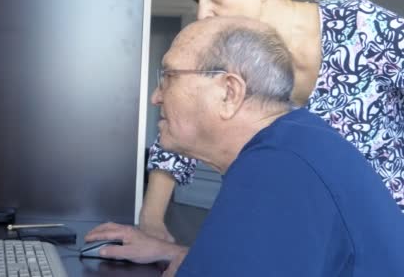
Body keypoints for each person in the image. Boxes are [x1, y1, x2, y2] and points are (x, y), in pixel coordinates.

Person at [85, 16, 404, 276]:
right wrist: (175, 253)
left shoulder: (278, 169)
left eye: (168, 76)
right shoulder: (296, 142)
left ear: (228, 93)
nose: (156, 96)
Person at [140, 0, 404, 243]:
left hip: (387, 235)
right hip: (305, 236)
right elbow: (185, 123)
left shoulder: (364, 27)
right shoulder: (237, 59)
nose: (203, 14)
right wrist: (151, 222)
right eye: (198, 0)